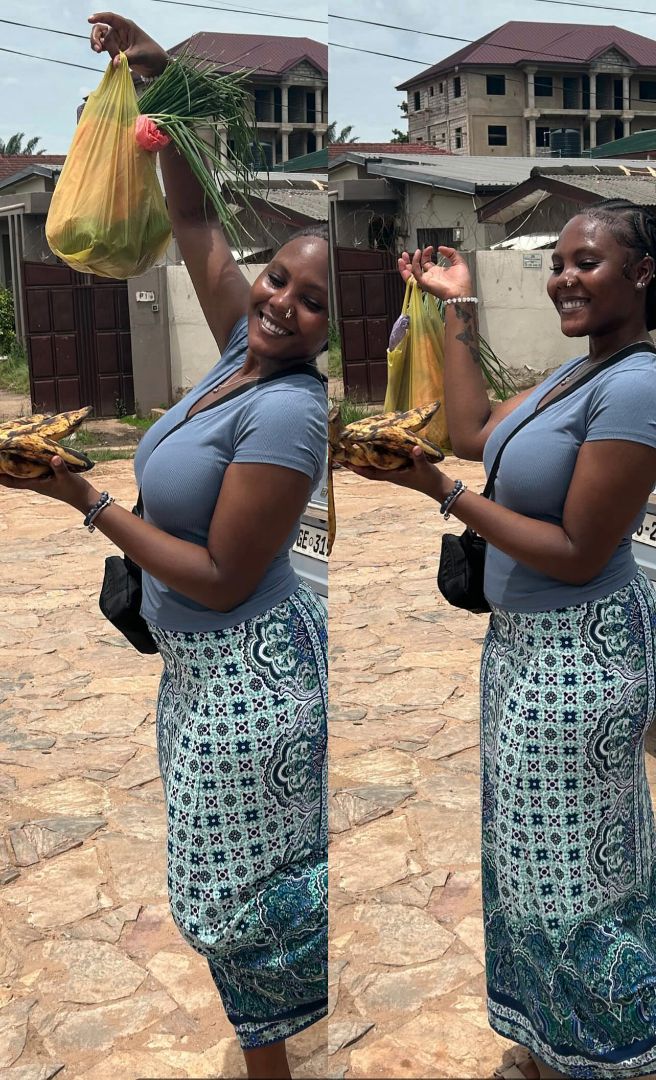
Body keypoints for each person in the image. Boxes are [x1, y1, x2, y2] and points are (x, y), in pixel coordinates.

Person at [0, 13, 328, 1079]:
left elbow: (225, 575)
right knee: (221, 875)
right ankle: (267, 1048)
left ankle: (273, 1061)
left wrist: (83, 501)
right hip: (196, 668)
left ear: (335, 325)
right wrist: (153, 73)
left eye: (311, 300)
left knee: (242, 890)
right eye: (277, 277)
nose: (281, 301)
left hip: (248, 674)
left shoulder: (285, 413)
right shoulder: (241, 342)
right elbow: (189, 214)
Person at [346, 200, 656, 1079]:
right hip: (527, 650)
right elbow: (473, 429)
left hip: (581, 656)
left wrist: (438, 492)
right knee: (529, 859)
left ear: (641, 274)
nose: (564, 276)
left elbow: (575, 551)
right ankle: (555, 1040)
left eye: (587, 262)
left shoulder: (638, 388)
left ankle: (614, 1053)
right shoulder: (577, 376)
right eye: (559, 261)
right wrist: (457, 304)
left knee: (578, 879)